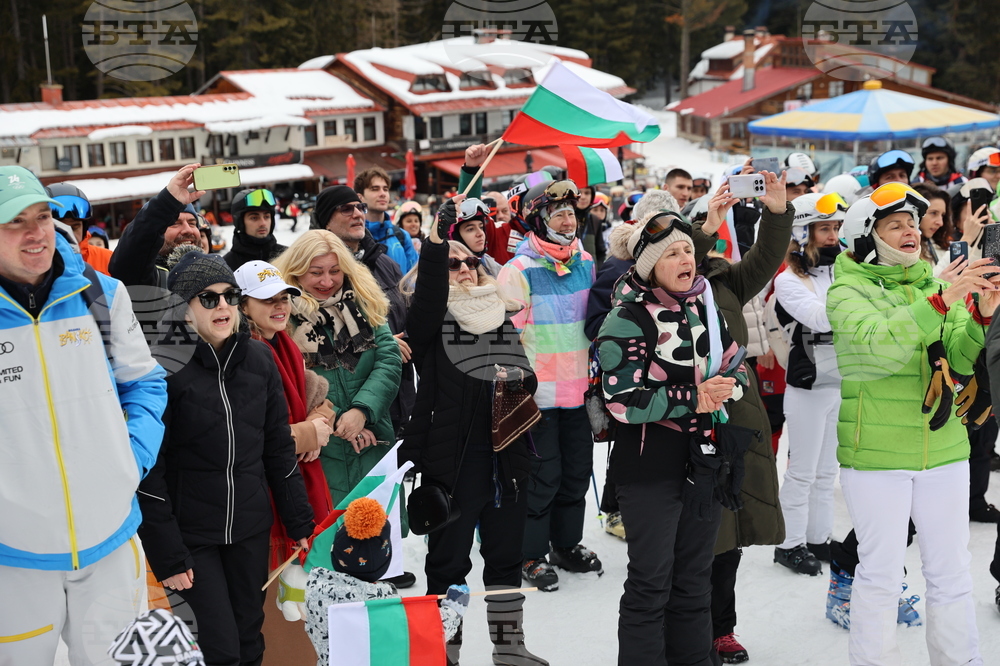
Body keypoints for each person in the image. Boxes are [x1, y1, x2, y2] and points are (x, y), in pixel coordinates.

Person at [0, 166, 167, 666]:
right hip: (15, 558)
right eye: (14, 222)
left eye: (41, 216)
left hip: (110, 542)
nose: (35, 232)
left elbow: (145, 382)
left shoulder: (101, 295)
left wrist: (130, 459)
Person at [828, 182, 994, 664]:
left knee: (951, 572)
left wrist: (981, 315)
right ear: (866, 236)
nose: (911, 232)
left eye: (911, 224)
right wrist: (944, 299)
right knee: (880, 575)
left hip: (944, 450)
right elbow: (876, 347)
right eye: (894, 225)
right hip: (877, 459)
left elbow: (958, 363)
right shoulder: (846, 290)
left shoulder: (934, 282)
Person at [138, 248, 314, 666]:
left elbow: (276, 447)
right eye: (209, 298)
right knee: (220, 649)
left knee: (250, 638)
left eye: (230, 296)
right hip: (193, 536)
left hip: (249, 530)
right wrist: (167, 552)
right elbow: (149, 471)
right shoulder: (162, 367)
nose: (224, 307)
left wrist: (299, 520)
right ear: (182, 307)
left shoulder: (259, 359)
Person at [399, 198, 546, 666]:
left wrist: (515, 380)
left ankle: (508, 647)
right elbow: (425, 306)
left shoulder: (498, 313)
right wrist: (438, 244)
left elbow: (528, 377)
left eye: (470, 262)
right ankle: (444, 650)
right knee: (448, 564)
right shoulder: (432, 320)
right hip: (452, 459)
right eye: (453, 263)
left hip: (507, 455)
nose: (463, 269)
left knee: (505, 558)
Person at [599, 207, 749, 666]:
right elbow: (620, 399)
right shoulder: (625, 318)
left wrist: (729, 386)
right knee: (651, 581)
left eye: (689, 249)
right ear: (650, 267)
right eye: (673, 253)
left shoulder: (706, 306)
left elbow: (735, 363)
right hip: (649, 467)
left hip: (703, 461)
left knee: (694, 579)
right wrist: (693, 396)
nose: (686, 258)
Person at [692, 174, 792, 664]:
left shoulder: (722, 279)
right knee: (694, 531)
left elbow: (766, 259)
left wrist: (775, 212)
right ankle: (688, 624)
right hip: (681, 414)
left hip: (734, 410)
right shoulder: (648, 283)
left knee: (729, 525)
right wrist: (703, 227)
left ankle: (721, 628)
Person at [498, 180, 602, 592]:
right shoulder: (519, 270)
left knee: (577, 474)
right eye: (556, 214)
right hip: (539, 397)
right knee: (543, 477)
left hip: (579, 392)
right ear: (538, 221)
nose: (566, 219)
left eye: (571, 213)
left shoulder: (586, 261)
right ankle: (530, 553)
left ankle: (566, 545)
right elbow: (504, 340)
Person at [234, 260, 337, 661]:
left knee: (302, 596)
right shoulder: (246, 352)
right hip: (271, 498)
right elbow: (249, 435)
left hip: (298, 483)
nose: (279, 307)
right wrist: (306, 434)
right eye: (266, 300)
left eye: (283, 298)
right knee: (281, 604)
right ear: (243, 306)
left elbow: (312, 399)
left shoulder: (284, 344)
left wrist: (320, 418)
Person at [274, 230, 402, 507]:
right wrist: (340, 420)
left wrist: (362, 411)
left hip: (372, 438)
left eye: (335, 270)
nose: (327, 280)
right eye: (316, 272)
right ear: (296, 272)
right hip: (319, 449)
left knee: (377, 535)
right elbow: (286, 384)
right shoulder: (281, 316)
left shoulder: (364, 303)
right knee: (328, 538)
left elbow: (388, 358)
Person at [772, 192, 847, 575]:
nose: (833, 235)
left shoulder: (840, 271)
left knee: (826, 470)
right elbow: (822, 318)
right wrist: (858, 298)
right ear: (802, 233)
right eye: (824, 228)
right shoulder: (788, 280)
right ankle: (789, 544)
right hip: (808, 384)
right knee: (802, 469)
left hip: (842, 379)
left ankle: (818, 537)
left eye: (836, 227)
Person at [109, 163, 206, 288]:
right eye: (176, 223)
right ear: (158, 232)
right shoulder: (147, 279)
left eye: (192, 223)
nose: (187, 230)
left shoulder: (219, 273)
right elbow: (129, 259)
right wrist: (167, 202)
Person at [356, 167, 418, 273]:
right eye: (375, 189)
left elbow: (414, 278)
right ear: (360, 197)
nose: (382, 194)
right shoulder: (354, 236)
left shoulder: (402, 236)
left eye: (385, 189)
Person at [47, 181, 113, 275]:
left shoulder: (108, 259)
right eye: (59, 230)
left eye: (74, 228)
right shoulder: (33, 266)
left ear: (84, 228)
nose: (69, 235)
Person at [223, 188, 287, 270]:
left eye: (267, 217)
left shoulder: (287, 257)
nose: (263, 223)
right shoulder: (226, 266)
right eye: (254, 218)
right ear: (240, 222)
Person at [445, 197, 503, 277]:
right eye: (470, 229)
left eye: (481, 227)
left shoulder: (490, 264)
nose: (480, 233)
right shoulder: (447, 268)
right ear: (456, 236)